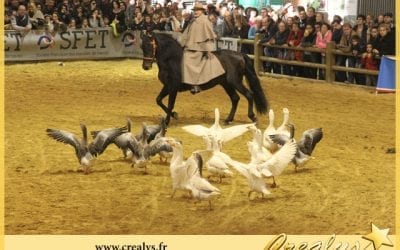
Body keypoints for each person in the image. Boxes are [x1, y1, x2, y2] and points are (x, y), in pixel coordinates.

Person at [180, 2, 225, 94]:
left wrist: (209, 50)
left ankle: (195, 85)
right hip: (190, 47)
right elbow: (186, 35)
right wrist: (180, 43)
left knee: (188, 61)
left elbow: (209, 36)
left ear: (202, 11)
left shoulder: (205, 21)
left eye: (198, 10)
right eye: (195, 10)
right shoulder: (193, 21)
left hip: (200, 48)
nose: (196, 12)